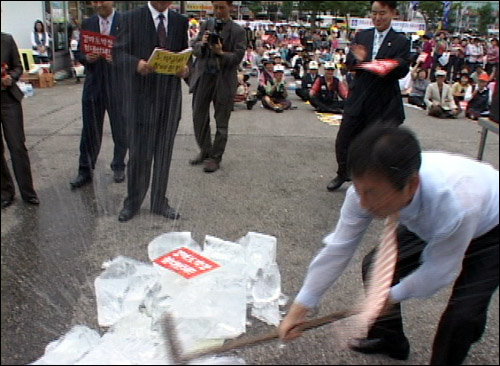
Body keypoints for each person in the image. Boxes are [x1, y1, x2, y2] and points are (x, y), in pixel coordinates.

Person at [279, 125, 499, 366]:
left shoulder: (455, 203)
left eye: (372, 193)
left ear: (411, 185)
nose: (363, 203)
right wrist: (302, 306)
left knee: (462, 317)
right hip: (436, 222)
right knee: (375, 266)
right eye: (359, 190)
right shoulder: (365, 192)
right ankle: (390, 338)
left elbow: (439, 271)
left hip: (491, 226)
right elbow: (338, 248)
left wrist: (391, 296)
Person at [113, 1, 189, 222]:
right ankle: (133, 202)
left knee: (163, 155)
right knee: (139, 155)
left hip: (169, 100)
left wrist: (185, 68)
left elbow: (185, 53)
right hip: (141, 100)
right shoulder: (130, 18)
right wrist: (136, 64)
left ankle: (159, 201)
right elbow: (118, 54)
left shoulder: (179, 21)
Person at [327, 0, 411, 192]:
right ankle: (343, 173)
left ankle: (373, 180)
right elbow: (349, 63)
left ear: (392, 13)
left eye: (382, 13)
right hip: (359, 95)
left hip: (383, 99)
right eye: (374, 13)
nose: (377, 17)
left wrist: (387, 65)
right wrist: (357, 60)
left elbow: (403, 67)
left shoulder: (401, 41)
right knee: (344, 138)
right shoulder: (362, 36)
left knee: (377, 143)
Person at [69, 1, 128, 189]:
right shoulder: (88, 23)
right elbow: (79, 51)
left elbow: (133, 51)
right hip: (94, 86)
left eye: (103, 0)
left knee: (121, 129)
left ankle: (119, 165)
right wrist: (87, 58)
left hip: (118, 86)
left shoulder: (125, 21)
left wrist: (118, 59)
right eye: (95, 1)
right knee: (90, 131)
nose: (99, 4)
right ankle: (85, 170)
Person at [189, 1, 246, 174]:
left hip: (223, 80)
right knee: (199, 116)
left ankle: (215, 157)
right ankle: (205, 150)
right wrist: (203, 43)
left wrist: (221, 53)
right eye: (216, 7)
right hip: (204, 76)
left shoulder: (238, 31)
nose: (218, 11)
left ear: (230, 7)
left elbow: (238, 57)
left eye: (222, 7)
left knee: (221, 122)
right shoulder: (206, 25)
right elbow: (195, 49)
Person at [1, 32, 39, 208]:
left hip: (8, 100)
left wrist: (12, 77)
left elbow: (18, 67)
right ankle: (6, 191)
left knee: (17, 146)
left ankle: (28, 192)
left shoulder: (7, 39)